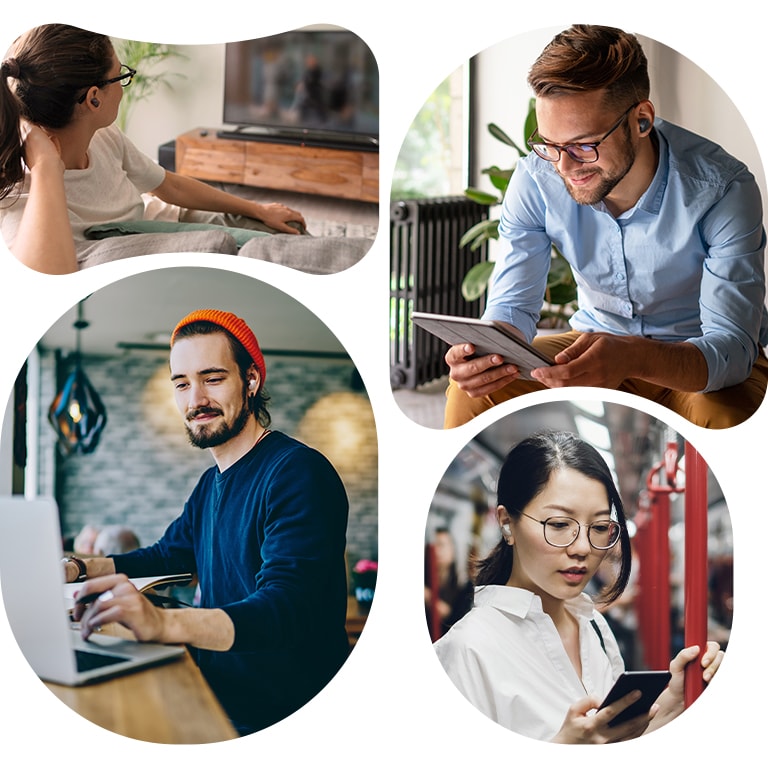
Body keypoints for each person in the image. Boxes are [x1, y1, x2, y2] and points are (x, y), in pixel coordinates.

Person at [444, 25, 768, 430]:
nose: (563, 167)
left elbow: (733, 349)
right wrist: (488, 355)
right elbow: (512, 308)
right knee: (470, 393)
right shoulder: (536, 178)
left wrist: (634, 356)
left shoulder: (722, 188)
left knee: (726, 416)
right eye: (549, 144)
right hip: (591, 344)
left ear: (642, 120)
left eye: (583, 145)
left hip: (697, 358)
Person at [64, 309, 350, 736]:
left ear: (251, 380)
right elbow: (165, 555)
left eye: (212, 378)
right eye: (182, 384)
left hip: (285, 713)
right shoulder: (209, 485)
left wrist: (162, 624)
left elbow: (286, 606)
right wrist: (80, 568)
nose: (195, 399)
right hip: (221, 698)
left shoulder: (298, 472)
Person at [433, 431, 723, 743]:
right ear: (507, 523)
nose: (583, 548)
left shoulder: (593, 625)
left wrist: (674, 704)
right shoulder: (466, 649)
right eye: (559, 525)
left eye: (599, 528)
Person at [0, 24, 307, 274]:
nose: (123, 85)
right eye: (120, 75)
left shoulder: (105, 136)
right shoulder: (23, 195)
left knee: (288, 229)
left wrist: (258, 209)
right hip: (146, 239)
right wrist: (46, 168)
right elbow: (44, 275)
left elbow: (167, 184)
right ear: (94, 98)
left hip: (157, 217)